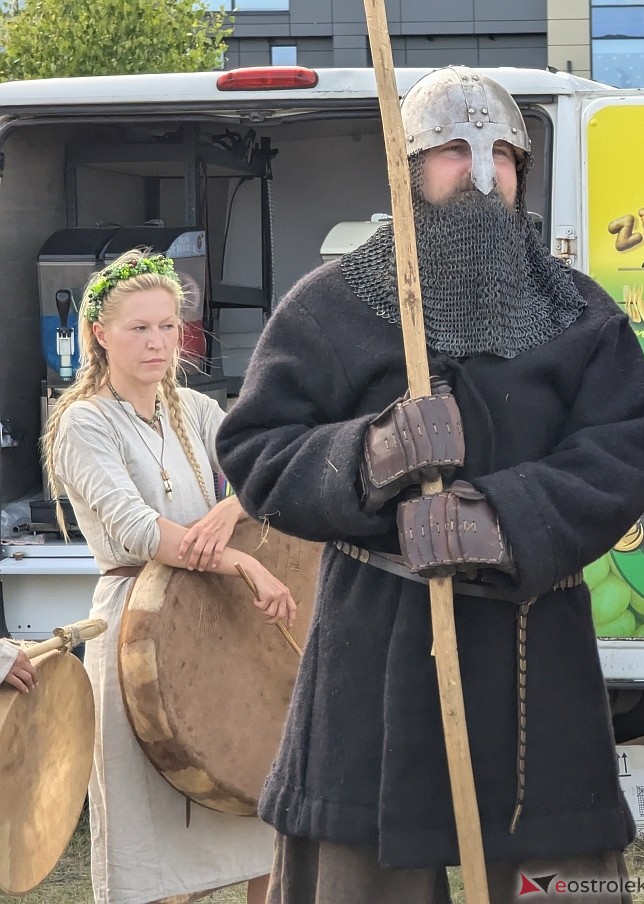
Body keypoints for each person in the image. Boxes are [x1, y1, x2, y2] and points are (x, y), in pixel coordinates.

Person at [215, 66, 644, 904]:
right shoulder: (332, 306)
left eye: (500, 154)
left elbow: (624, 451)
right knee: (358, 881)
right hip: (376, 645)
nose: (481, 171)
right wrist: (367, 455)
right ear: (408, 167)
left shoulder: (579, 313)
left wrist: (504, 516)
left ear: (522, 171)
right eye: (455, 150)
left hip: (536, 652)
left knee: (558, 880)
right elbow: (255, 447)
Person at [42, 249, 297, 904]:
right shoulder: (83, 421)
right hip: (135, 631)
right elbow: (135, 529)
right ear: (100, 333)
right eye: (139, 328)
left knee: (260, 815)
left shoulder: (195, 409)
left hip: (223, 628)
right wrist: (237, 557)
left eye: (167, 327)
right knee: (152, 852)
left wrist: (232, 506)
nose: (158, 343)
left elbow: (261, 470)